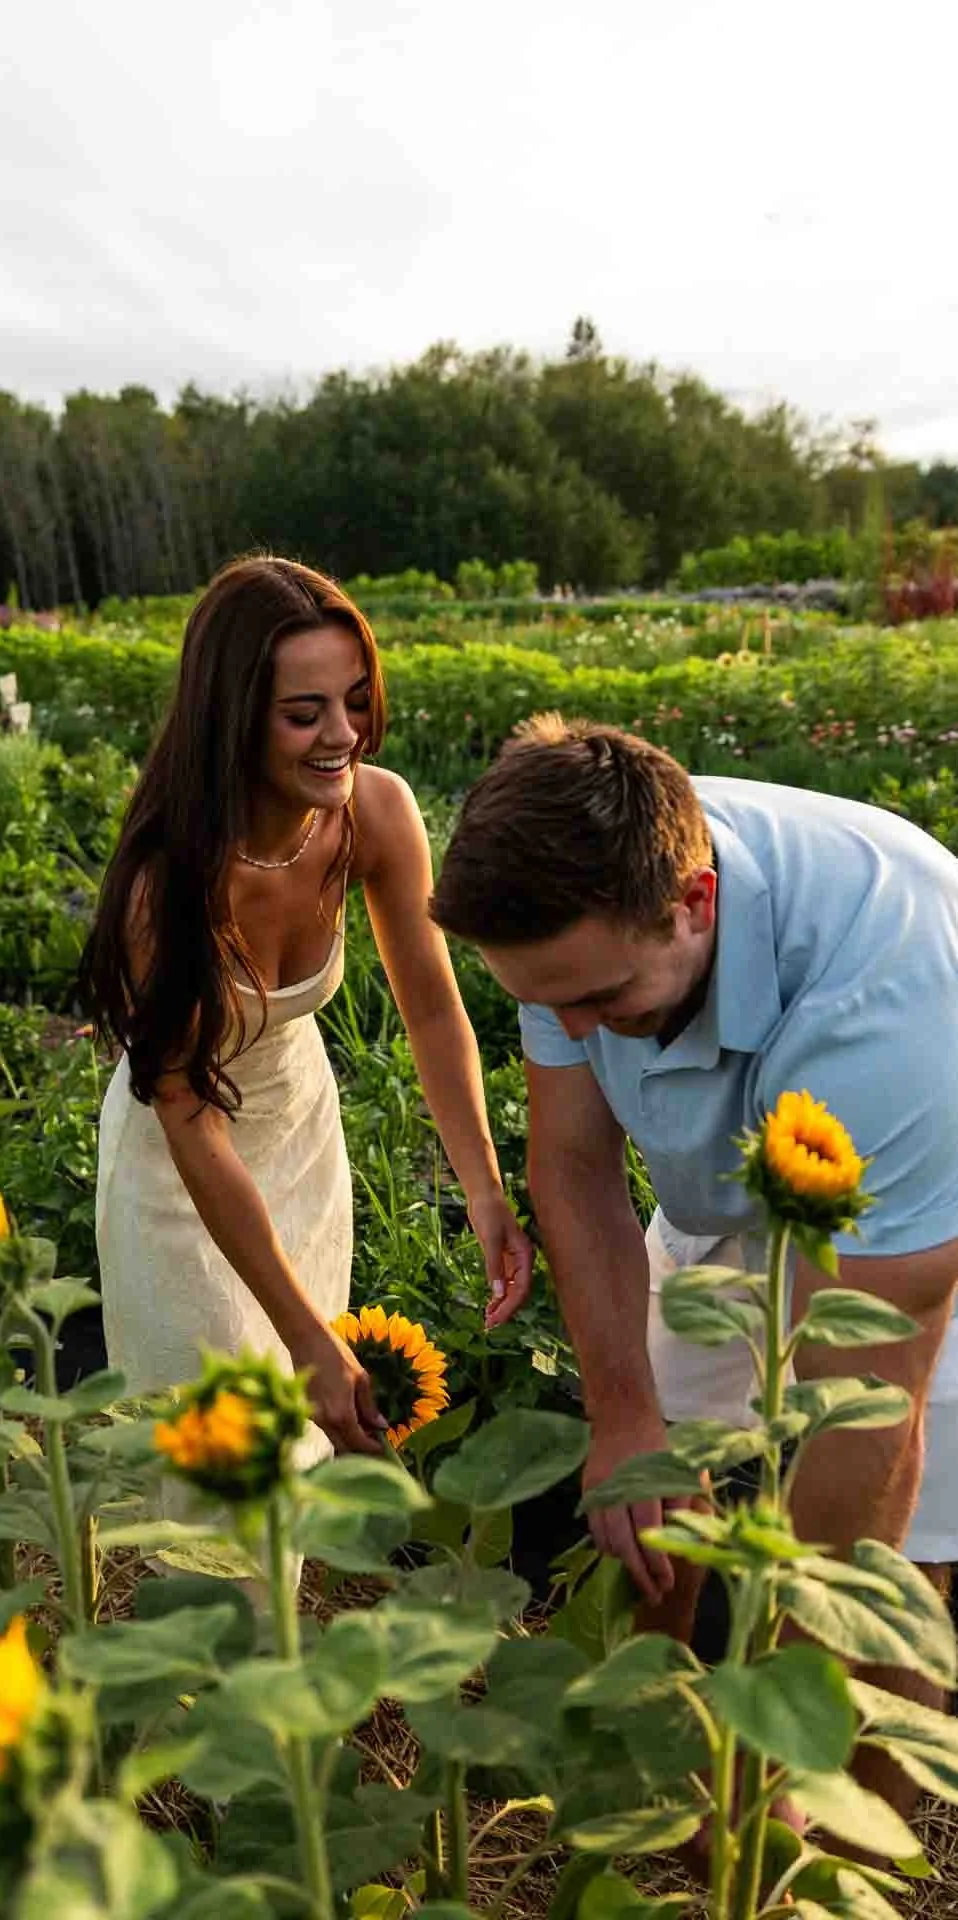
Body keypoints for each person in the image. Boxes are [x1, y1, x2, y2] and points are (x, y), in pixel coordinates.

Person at [430, 713, 958, 1799]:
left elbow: (872, 1399)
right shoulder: (572, 915)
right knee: (653, 1481)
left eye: (599, 1002)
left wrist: (784, 1733)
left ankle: (841, 1839)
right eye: (542, 1004)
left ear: (695, 906)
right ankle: (664, 1788)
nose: (569, 1035)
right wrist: (624, 1417)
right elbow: (574, 1167)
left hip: (911, 1197)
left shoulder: (890, 1005)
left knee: (882, 1580)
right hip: (731, 1176)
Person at [82, 556, 532, 1488]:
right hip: (182, 1172)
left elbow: (436, 1009)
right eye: (305, 713)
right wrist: (306, 1332)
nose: (345, 736)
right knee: (225, 1471)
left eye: (356, 700)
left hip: (297, 1136)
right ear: (232, 716)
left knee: (294, 1458)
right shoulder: (169, 881)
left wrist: (485, 1190)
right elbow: (190, 1118)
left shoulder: (375, 811)